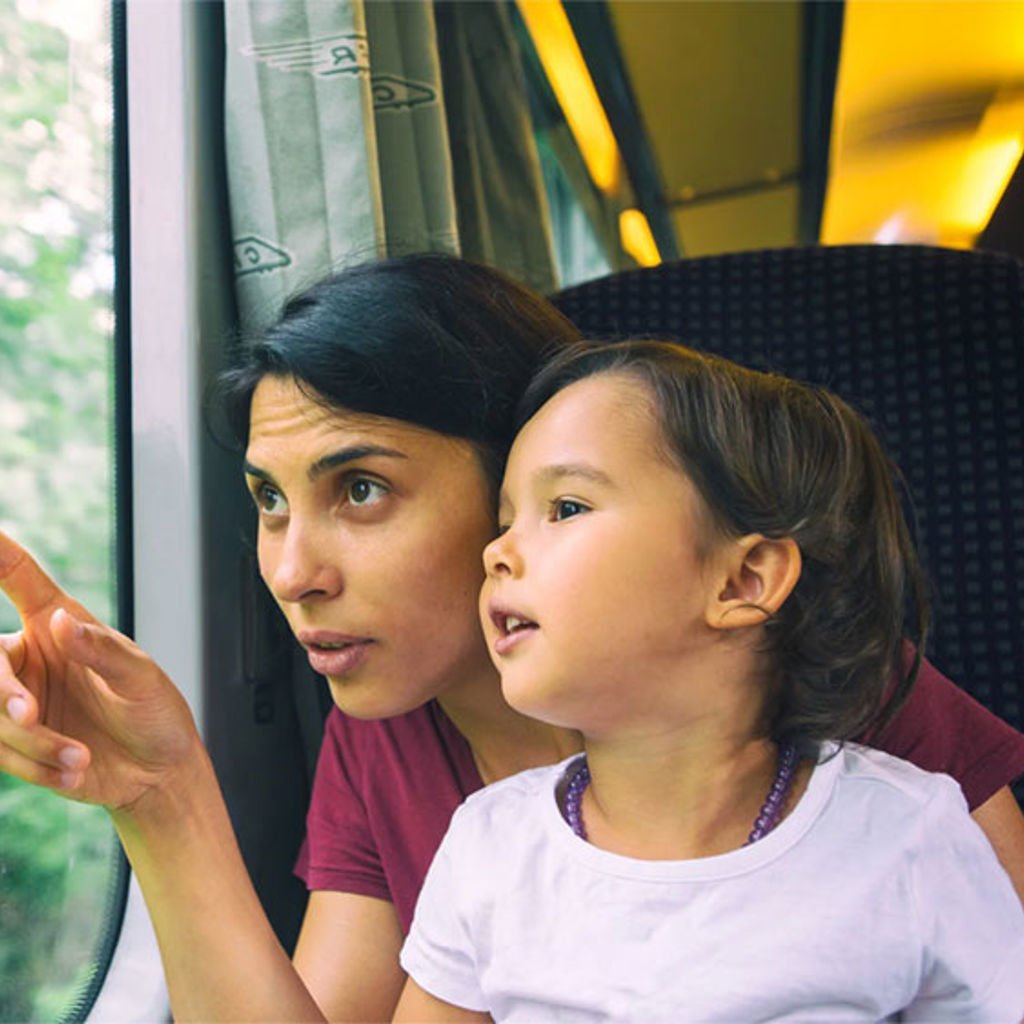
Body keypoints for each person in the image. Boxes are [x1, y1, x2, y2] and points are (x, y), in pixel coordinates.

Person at [0, 254, 1021, 1022]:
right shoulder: (396, 736)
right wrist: (160, 794)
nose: (289, 572)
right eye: (269, 501)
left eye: (360, 490)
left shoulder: (823, 689)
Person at [397, 339, 1024, 1020]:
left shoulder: (906, 836)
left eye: (567, 508)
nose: (497, 552)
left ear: (742, 580)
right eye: (505, 522)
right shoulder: (489, 849)